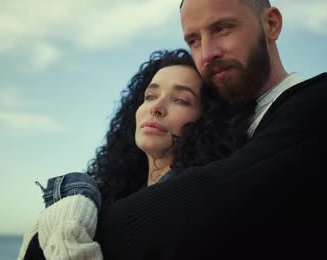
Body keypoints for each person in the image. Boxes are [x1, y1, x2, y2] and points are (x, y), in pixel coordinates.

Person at [88, 0, 327, 259]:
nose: (207, 53)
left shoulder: (324, 107)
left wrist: (79, 231)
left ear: (271, 24)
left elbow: (205, 197)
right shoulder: (234, 132)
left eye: (222, 28)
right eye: (194, 40)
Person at [18, 49, 255, 259]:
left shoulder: (205, 211)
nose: (156, 107)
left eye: (181, 100)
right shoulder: (92, 205)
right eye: (150, 96)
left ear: (209, 121)